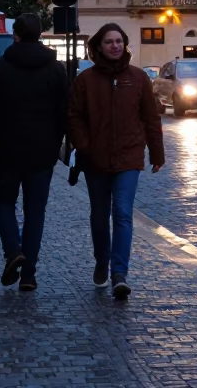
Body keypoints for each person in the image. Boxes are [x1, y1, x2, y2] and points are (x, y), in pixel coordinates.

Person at [68, 23, 164, 301]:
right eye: (109, 42)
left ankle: (119, 273)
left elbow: (151, 118)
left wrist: (157, 154)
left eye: (119, 41)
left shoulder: (138, 78)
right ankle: (101, 262)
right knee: (99, 216)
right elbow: (74, 117)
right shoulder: (85, 80)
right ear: (99, 46)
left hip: (129, 157)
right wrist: (84, 147)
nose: (115, 46)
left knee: (122, 213)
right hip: (95, 159)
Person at [0, 14, 68, 291]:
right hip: (42, 151)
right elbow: (64, 112)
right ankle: (28, 275)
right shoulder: (56, 69)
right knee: (35, 211)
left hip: (7, 148)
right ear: (40, 35)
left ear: (15, 34)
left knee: (4, 204)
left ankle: (13, 250)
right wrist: (57, 144)